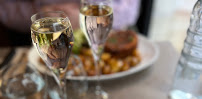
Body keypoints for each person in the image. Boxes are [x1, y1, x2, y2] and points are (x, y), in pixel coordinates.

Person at [0, 0, 141, 46]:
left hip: (110, 33)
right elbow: (4, 9)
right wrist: (40, 16)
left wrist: (83, 17)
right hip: (41, 38)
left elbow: (130, 9)